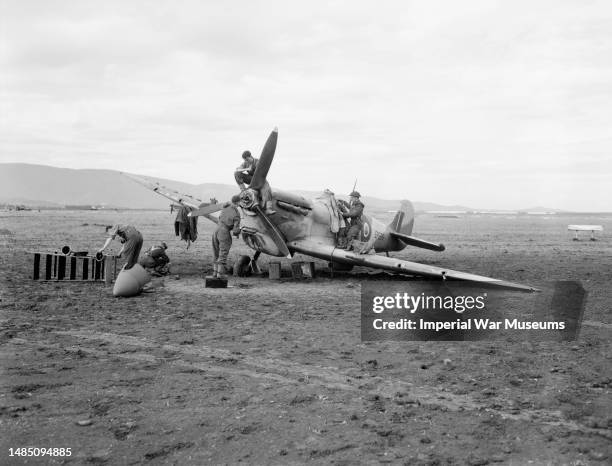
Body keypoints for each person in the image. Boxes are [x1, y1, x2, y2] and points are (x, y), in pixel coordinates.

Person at [212, 195, 241, 278]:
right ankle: (220, 274)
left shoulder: (225, 207)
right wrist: (238, 232)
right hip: (224, 232)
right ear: (238, 202)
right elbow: (235, 230)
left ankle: (215, 273)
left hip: (216, 230)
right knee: (223, 253)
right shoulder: (236, 213)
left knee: (216, 253)